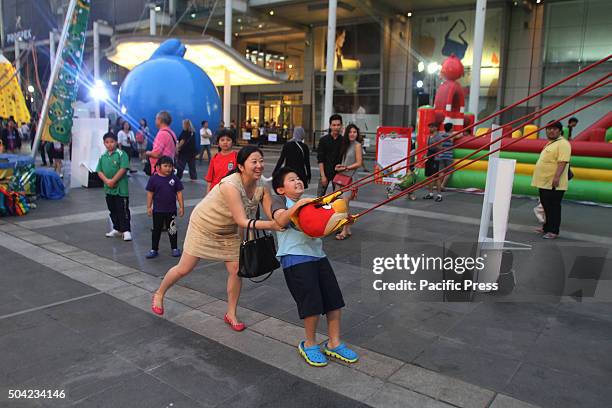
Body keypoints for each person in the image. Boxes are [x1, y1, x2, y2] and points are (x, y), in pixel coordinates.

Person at [151, 146, 284, 331]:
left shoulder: (261, 185)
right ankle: (159, 293)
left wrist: (282, 217)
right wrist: (273, 226)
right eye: (254, 162)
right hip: (204, 226)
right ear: (241, 166)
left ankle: (231, 313)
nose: (259, 165)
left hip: (229, 231)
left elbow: (271, 211)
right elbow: (242, 220)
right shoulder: (230, 185)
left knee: (237, 269)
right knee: (184, 268)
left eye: (261, 161)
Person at [271, 167, 359, 367]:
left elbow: (321, 228)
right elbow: (280, 220)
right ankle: (309, 344)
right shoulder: (280, 202)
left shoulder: (312, 203)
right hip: (295, 258)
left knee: (333, 300)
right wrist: (300, 205)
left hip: (318, 255)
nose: (298, 181)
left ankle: (334, 342)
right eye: (292, 179)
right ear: (281, 189)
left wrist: (343, 222)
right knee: (311, 303)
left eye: (299, 178)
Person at [531, 121, 571, 239]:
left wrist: (557, 177)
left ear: (559, 131)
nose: (551, 131)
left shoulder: (563, 144)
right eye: (548, 129)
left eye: (554, 129)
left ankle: (553, 231)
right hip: (544, 182)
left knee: (553, 207)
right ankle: (546, 227)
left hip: (553, 182)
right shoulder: (551, 143)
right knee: (546, 205)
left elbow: (562, 161)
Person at [145, 156, 184, 259]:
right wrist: (149, 207)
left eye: (170, 166)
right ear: (158, 167)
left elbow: (179, 193)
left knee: (172, 229)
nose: (168, 168)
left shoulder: (174, 179)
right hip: (157, 210)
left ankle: (174, 248)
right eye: (165, 166)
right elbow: (150, 193)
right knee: (156, 230)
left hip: (170, 210)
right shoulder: (153, 179)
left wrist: (181, 207)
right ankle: (154, 249)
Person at [96, 132, 132, 241]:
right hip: (108, 189)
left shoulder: (121, 154)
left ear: (116, 142)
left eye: (112, 142)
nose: (109, 144)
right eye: (107, 142)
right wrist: (107, 181)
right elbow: (99, 171)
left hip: (121, 190)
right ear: (104, 143)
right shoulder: (103, 156)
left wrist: (113, 180)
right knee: (112, 209)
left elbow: (123, 168)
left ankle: (126, 230)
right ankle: (117, 228)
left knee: (123, 209)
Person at [334, 124, 363, 240]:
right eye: (350, 132)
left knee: (345, 203)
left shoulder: (357, 145)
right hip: (341, 177)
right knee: (341, 204)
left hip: (351, 178)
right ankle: (347, 227)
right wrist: (340, 166)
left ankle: (344, 231)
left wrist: (346, 168)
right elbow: (345, 161)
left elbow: (359, 163)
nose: (352, 134)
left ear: (357, 134)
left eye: (354, 132)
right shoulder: (346, 145)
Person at [317, 114, 343, 197]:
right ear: (330, 126)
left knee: (337, 198)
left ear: (341, 126)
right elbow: (320, 159)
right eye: (334, 125)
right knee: (319, 198)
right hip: (325, 172)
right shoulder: (323, 140)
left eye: (338, 125)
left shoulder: (344, 141)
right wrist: (323, 176)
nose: (336, 127)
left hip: (339, 174)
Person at [205, 129, 237, 193]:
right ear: (218, 143)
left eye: (228, 140)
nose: (225, 142)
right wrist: (208, 196)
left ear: (233, 142)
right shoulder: (215, 158)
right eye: (222, 140)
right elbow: (209, 179)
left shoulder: (237, 157)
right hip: (215, 191)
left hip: (231, 191)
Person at [423, 122, 444, 202]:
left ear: (435, 128)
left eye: (431, 127)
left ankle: (439, 195)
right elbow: (428, 148)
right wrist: (425, 155)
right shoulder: (429, 136)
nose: (429, 129)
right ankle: (431, 194)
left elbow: (441, 148)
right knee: (429, 177)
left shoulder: (438, 137)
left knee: (436, 177)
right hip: (429, 157)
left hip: (436, 158)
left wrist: (435, 145)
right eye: (429, 127)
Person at [438, 122, 456, 191]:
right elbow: (460, 135)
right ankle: (442, 185)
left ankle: (439, 185)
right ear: (451, 128)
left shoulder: (440, 135)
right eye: (453, 127)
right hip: (448, 156)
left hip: (441, 155)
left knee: (441, 171)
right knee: (449, 171)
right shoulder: (451, 135)